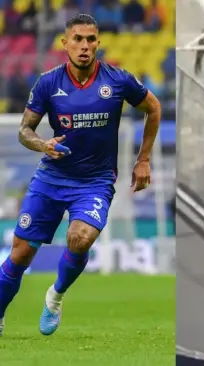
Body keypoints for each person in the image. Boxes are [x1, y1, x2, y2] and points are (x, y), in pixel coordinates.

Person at [0, 14, 161, 337]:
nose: (84, 46)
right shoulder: (48, 82)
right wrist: (42, 144)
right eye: (78, 39)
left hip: (95, 182)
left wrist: (143, 159)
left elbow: (153, 108)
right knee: (21, 252)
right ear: (65, 43)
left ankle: (55, 296)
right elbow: (24, 130)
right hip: (52, 178)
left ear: (98, 43)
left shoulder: (118, 80)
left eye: (90, 39)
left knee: (81, 237)